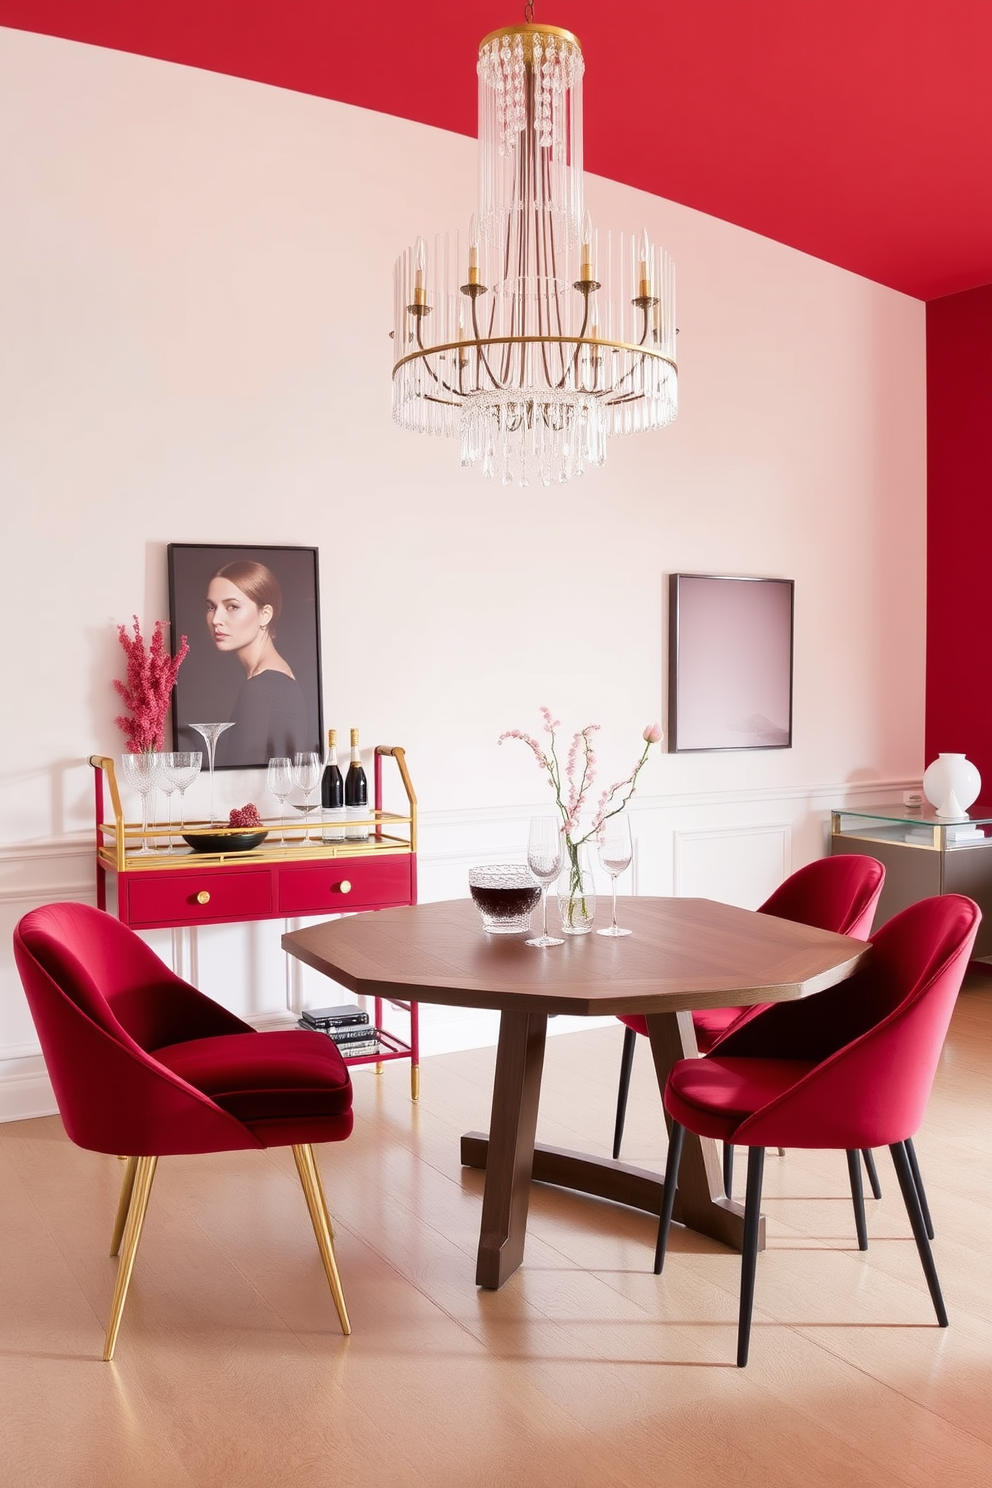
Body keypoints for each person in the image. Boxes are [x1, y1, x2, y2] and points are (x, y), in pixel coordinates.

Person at [206, 560, 310, 767]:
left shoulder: (258, 689)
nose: (216, 619)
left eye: (232, 607)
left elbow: (241, 780)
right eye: (211, 607)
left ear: (265, 614)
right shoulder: (281, 678)